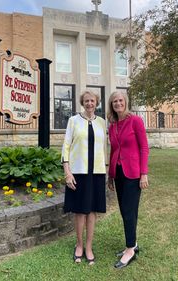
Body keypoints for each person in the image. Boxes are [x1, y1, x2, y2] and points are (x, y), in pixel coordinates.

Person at [62, 90, 107, 265]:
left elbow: (104, 148)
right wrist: (67, 172)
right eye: (86, 101)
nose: (89, 103)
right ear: (82, 102)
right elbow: (66, 146)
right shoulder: (73, 121)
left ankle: (89, 246)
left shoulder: (102, 123)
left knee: (93, 210)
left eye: (92, 101)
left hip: (96, 172)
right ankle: (79, 245)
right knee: (80, 210)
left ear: (97, 103)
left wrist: (106, 169)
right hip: (78, 172)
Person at [106, 90, 149, 269]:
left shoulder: (136, 121)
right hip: (118, 173)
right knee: (126, 211)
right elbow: (114, 150)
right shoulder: (112, 126)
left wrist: (144, 173)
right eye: (114, 101)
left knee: (129, 211)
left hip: (133, 173)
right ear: (112, 105)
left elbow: (144, 148)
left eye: (120, 100)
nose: (118, 103)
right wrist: (110, 176)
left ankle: (130, 249)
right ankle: (133, 244)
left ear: (126, 102)